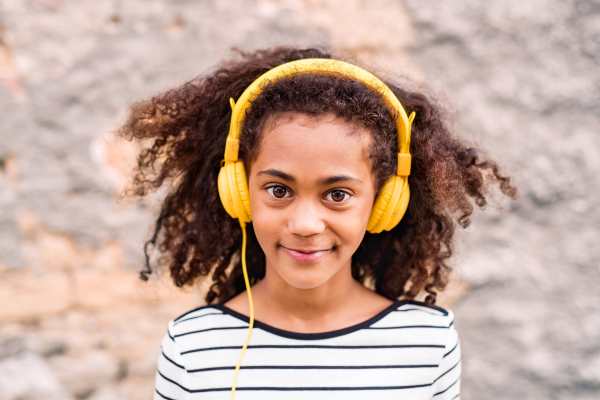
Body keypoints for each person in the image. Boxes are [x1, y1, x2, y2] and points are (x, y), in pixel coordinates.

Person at [116, 46, 516, 400]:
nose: (306, 224)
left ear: (384, 203)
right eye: (278, 190)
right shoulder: (193, 347)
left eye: (337, 195)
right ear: (237, 192)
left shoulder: (427, 343)